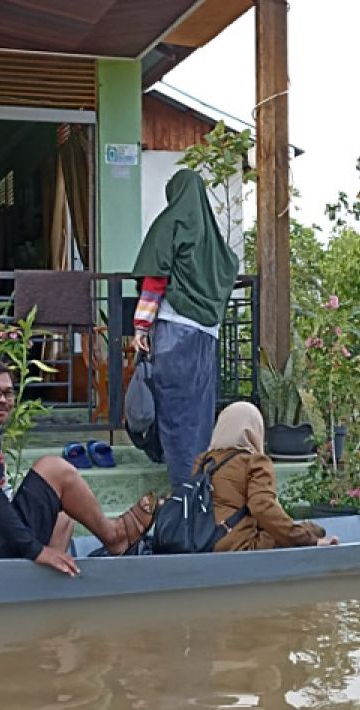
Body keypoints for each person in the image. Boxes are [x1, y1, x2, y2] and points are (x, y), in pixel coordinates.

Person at [0, 357, 156, 575]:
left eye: (8, 393)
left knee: (62, 514)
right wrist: (36, 550)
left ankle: (46, 584)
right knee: (53, 470)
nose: (2, 400)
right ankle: (114, 536)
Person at [131, 168, 240, 490]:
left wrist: (141, 326)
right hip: (207, 335)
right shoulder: (213, 239)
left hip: (175, 332)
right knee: (198, 414)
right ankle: (200, 483)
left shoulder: (171, 224)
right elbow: (229, 268)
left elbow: (155, 280)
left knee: (174, 411)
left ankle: (184, 490)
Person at [196, 402, 338, 552]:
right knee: (314, 530)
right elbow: (263, 507)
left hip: (198, 541)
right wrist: (309, 540)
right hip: (237, 544)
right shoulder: (254, 462)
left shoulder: (202, 462)